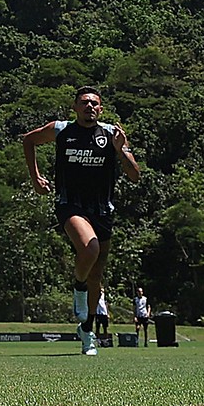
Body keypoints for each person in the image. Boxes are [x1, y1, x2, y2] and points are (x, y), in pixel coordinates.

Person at [22, 86, 143, 357]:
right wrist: (35, 178)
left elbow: (135, 175)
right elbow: (28, 141)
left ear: (100, 109)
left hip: (102, 210)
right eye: (84, 103)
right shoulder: (61, 129)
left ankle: (87, 332)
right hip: (70, 206)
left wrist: (120, 149)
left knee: (97, 277)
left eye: (94, 104)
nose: (89, 107)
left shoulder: (111, 134)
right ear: (75, 107)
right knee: (90, 248)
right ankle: (77, 287)